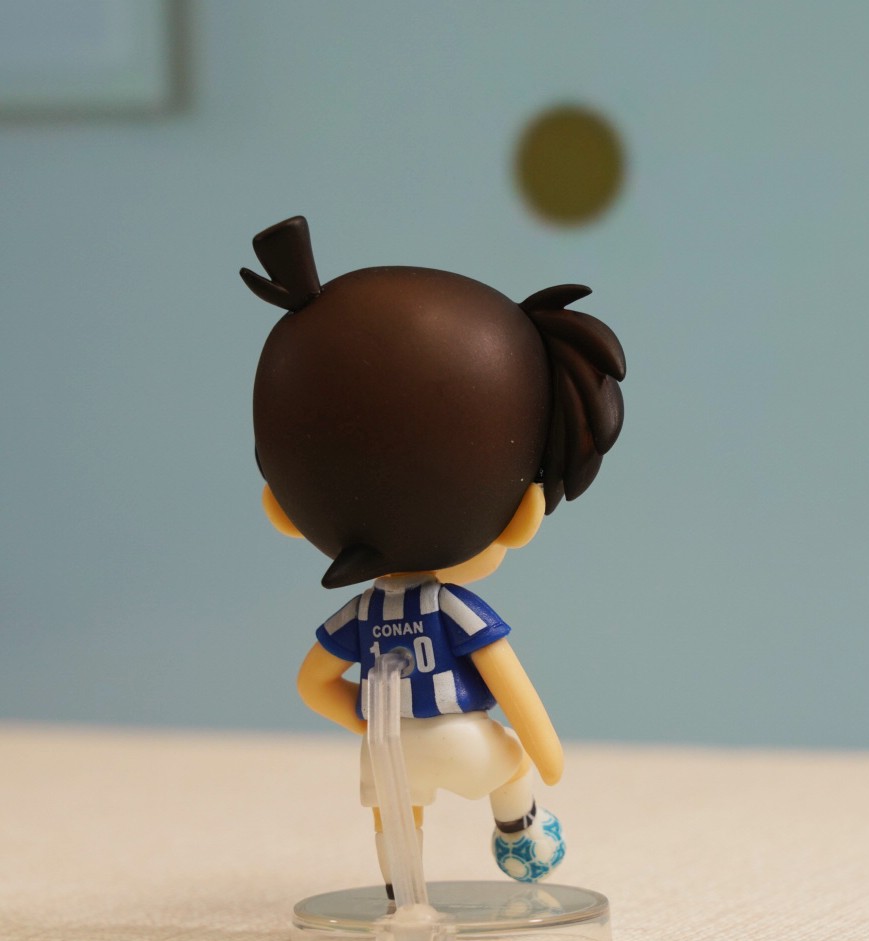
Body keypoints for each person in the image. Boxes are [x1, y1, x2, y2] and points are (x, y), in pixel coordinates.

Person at [242, 215, 625, 887]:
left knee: (395, 817)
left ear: (279, 504)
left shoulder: (359, 615)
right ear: (523, 515)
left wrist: (375, 721)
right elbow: (509, 685)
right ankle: (520, 829)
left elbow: (312, 684)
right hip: (460, 737)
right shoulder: (453, 610)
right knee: (509, 764)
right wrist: (546, 752)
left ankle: (399, 888)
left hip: (385, 750)